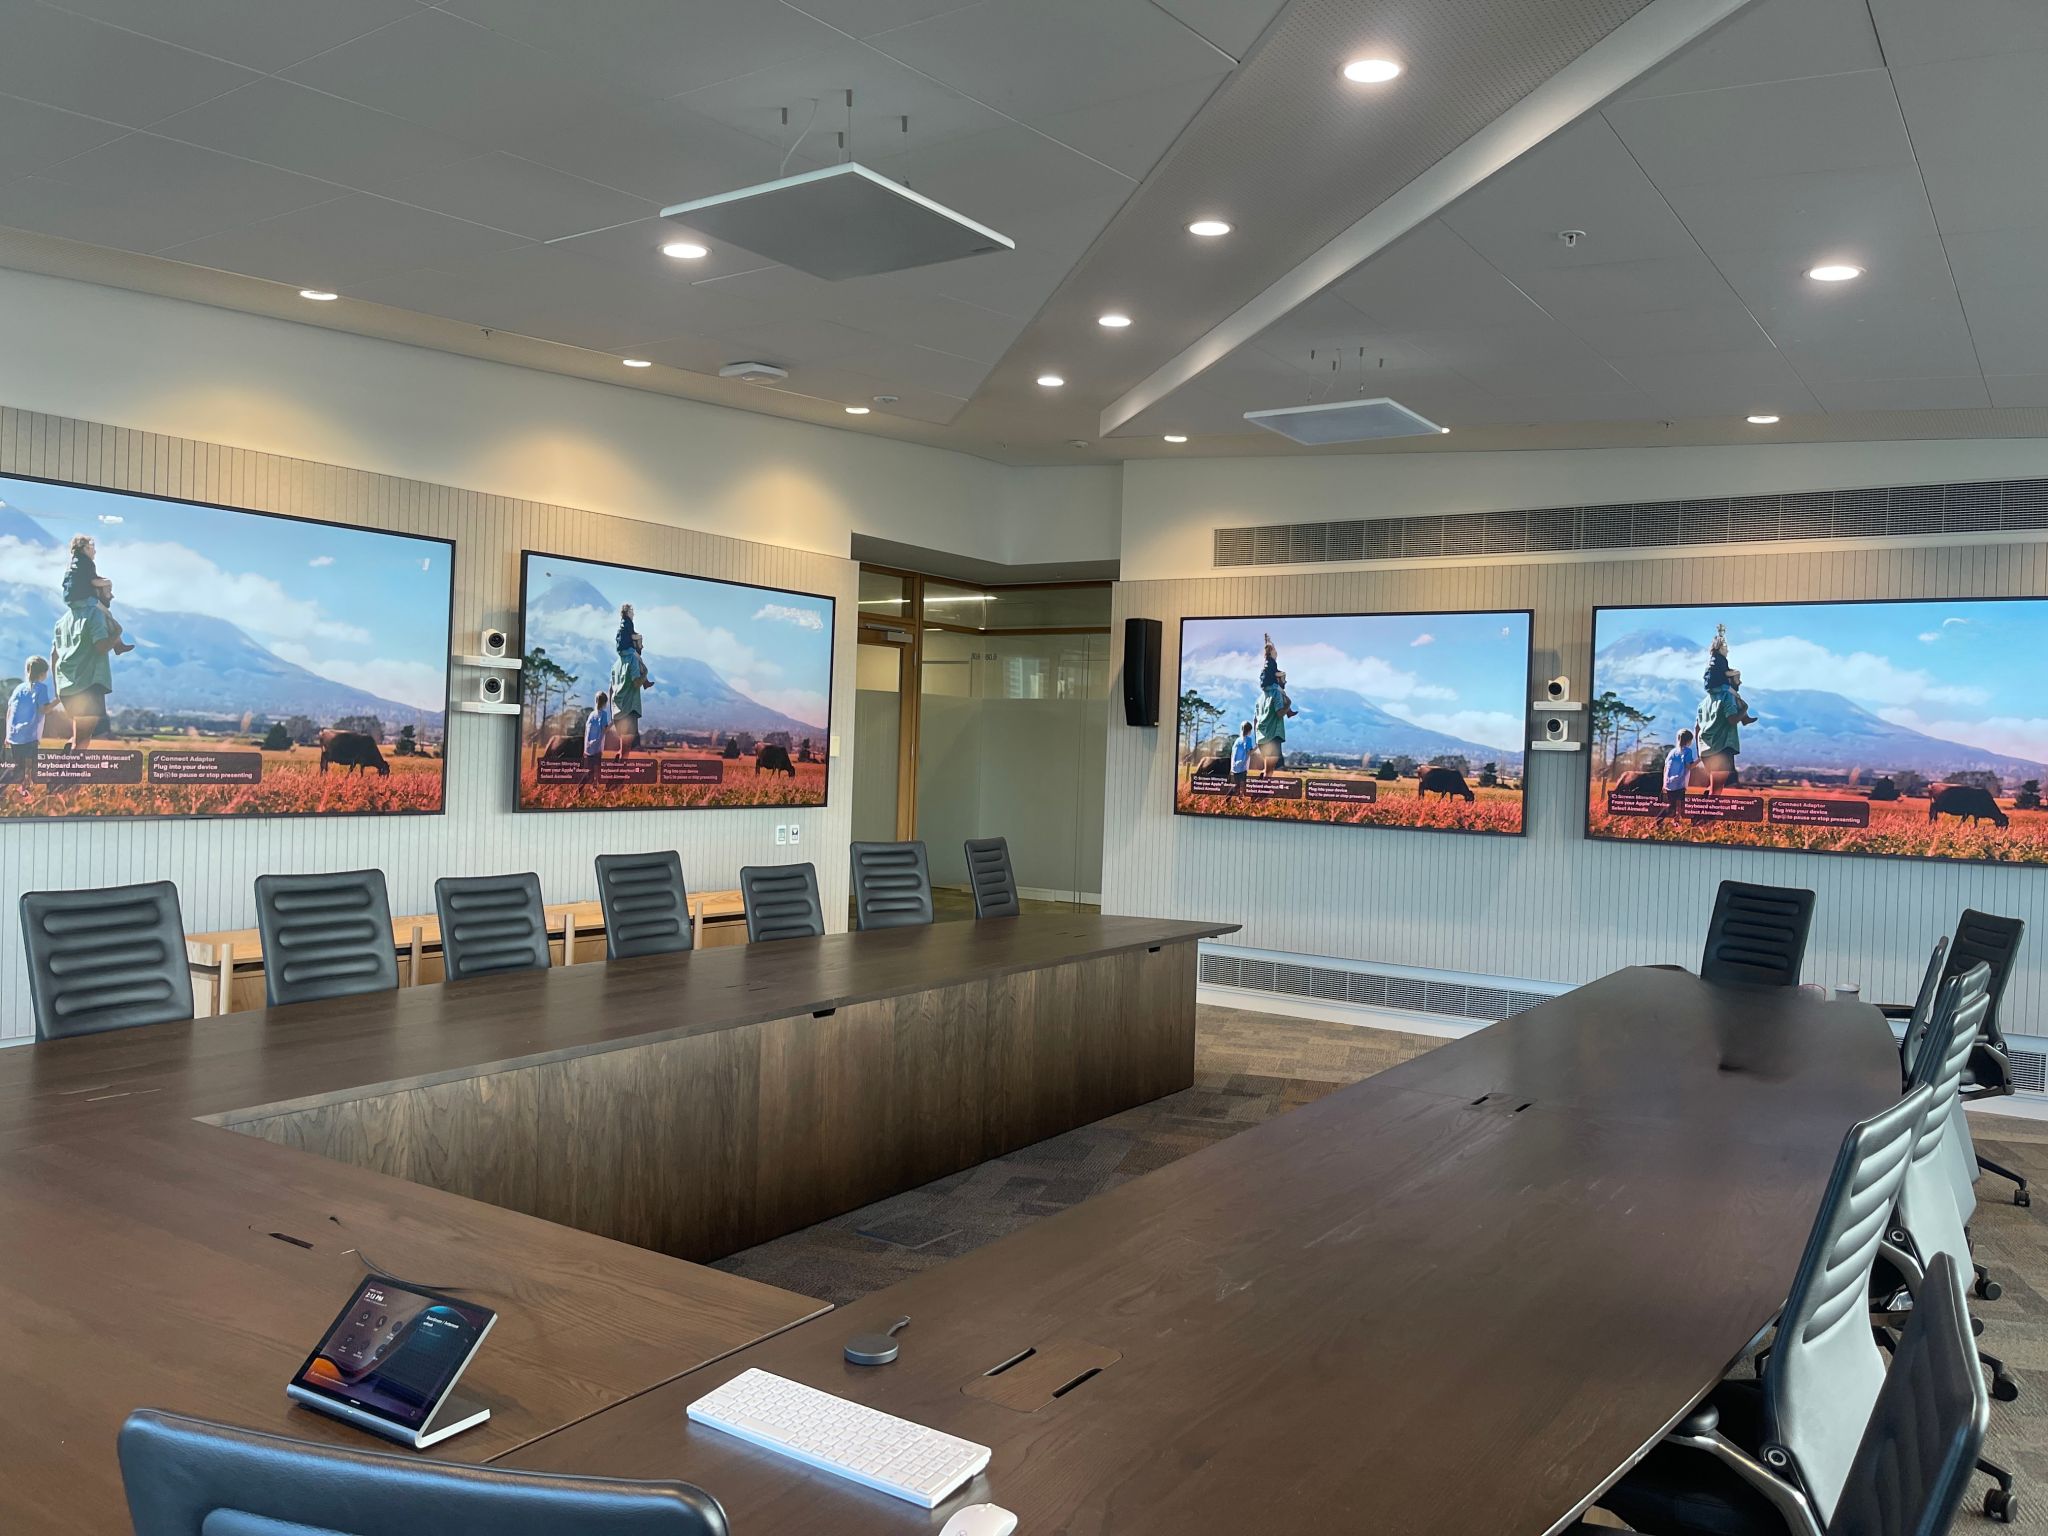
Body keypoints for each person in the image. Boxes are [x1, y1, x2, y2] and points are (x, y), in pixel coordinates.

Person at [49, 598, 115, 752]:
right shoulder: (94, 614)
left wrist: (57, 686)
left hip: (66, 687)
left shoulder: (62, 622)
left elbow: (54, 654)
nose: (111, 596)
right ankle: (72, 766)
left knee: (78, 736)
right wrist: (117, 633)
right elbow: (101, 646)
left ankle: (66, 760)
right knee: (82, 741)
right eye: (107, 591)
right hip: (89, 684)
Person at [1695, 626, 1749, 796]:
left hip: (1705, 750)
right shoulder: (1727, 697)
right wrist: (1744, 710)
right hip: (1722, 749)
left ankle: (1701, 809)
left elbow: (1697, 727)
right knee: (1716, 791)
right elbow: (1732, 720)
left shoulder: (1703, 703)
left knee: (1712, 788)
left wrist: (1699, 751)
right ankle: (1707, 812)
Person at [61, 535, 136, 654]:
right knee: (107, 613)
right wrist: (108, 582)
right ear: (85, 548)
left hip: (70, 599)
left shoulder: (72, 564)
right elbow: (94, 581)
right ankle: (118, 644)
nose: (94, 551)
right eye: (92, 548)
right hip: (84, 598)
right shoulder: (86, 562)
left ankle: (118, 644)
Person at [4, 656, 55, 798]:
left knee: (18, 766)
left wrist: (8, 734)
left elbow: (10, 711)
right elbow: (44, 709)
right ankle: (22, 792)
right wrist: (59, 700)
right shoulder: (41, 688)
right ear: (43, 674)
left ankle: (20, 791)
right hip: (29, 735)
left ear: (27, 671)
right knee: (29, 768)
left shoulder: (18, 688)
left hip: (14, 734)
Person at [1660, 727, 1698, 820]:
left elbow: (1666, 767)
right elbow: (1689, 766)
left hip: (1669, 783)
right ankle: (1658, 820)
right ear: (1689, 740)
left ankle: (1675, 821)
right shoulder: (1688, 751)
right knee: (1678, 806)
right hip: (1680, 782)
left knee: (1674, 805)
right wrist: (1700, 759)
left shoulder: (1672, 752)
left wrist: (1664, 783)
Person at [582, 689, 613, 784]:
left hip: (588, 748)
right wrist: (613, 722)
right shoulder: (603, 714)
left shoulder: (591, 714)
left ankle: (591, 789)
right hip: (597, 747)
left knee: (590, 771)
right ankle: (580, 789)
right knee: (594, 772)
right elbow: (605, 730)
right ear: (605, 703)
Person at [1228, 720, 1254, 795]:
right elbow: (1249, 752)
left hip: (1234, 766)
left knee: (1238, 785)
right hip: (1242, 766)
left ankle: (1237, 799)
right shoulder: (1248, 739)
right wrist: (1258, 746)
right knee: (1241, 786)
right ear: (1249, 731)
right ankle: (1228, 797)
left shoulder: (1237, 740)